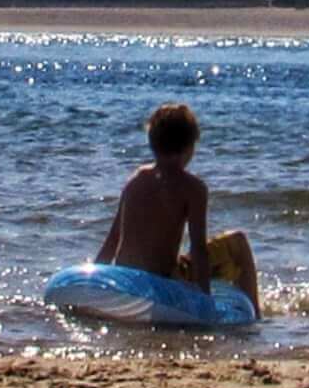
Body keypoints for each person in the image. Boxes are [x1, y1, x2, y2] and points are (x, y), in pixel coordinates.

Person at [99, 102, 259, 305]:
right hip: (163, 281)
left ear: (152, 143)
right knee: (238, 242)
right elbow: (199, 249)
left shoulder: (136, 179)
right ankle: (254, 315)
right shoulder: (193, 188)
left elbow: (112, 240)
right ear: (189, 147)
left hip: (127, 278)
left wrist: (95, 283)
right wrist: (205, 303)